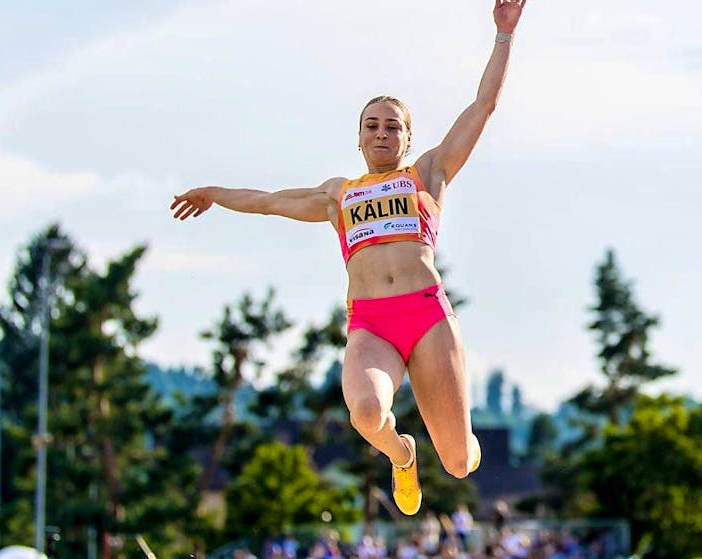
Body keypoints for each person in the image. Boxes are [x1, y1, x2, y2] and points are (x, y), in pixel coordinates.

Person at [170, 0, 528, 515]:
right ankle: (402, 455)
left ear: (407, 138)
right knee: (365, 412)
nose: (381, 133)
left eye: (392, 127)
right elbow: (268, 201)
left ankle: (463, 445)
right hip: (372, 324)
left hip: (427, 316)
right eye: (372, 126)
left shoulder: (427, 173)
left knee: (457, 461)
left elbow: (482, 107)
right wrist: (213, 193)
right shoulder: (339, 194)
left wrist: (504, 35)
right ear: (359, 137)